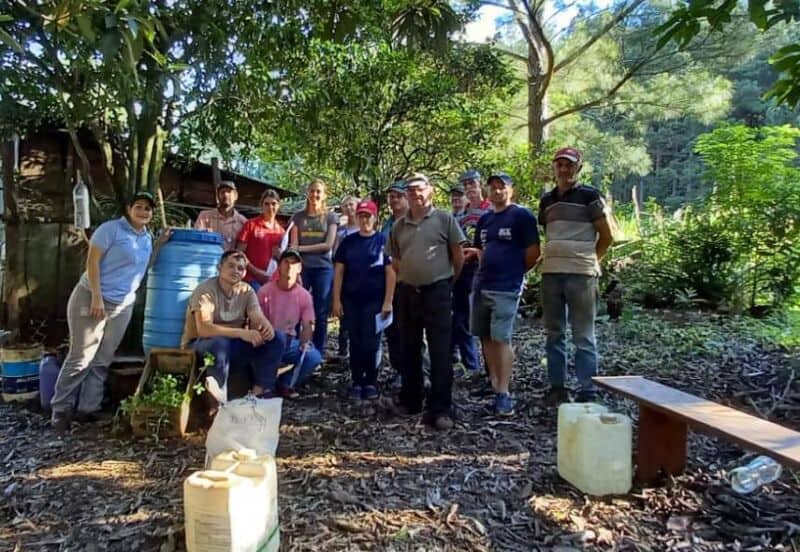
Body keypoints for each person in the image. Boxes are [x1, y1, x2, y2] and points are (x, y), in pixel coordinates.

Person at [51, 191, 171, 432]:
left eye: (148, 209)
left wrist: (158, 245)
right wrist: (96, 295)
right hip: (92, 297)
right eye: (139, 207)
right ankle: (60, 411)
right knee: (81, 355)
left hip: (122, 304)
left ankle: (88, 409)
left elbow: (144, 267)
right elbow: (92, 262)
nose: (144, 212)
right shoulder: (110, 230)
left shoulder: (146, 238)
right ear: (128, 209)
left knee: (103, 358)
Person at [387, 173, 465, 430]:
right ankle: (412, 399)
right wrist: (411, 276)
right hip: (408, 292)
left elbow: (458, 255)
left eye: (419, 189)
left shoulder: (444, 219)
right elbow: (396, 260)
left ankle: (441, 408)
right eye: (410, 191)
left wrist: (446, 282)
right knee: (409, 348)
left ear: (430, 191)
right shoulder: (399, 226)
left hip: (438, 293)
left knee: (440, 350)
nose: (414, 194)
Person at [538, 147, 613, 404]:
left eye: (569, 165)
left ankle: (587, 390)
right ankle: (557, 388)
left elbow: (607, 235)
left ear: (578, 168)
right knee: (553, 332)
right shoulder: (547, 200)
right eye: (560, 164)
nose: (564, 169)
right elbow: (549, 234)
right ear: (554, 168)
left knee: (583, 335)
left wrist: (591, 261)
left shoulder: (590, 196)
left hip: (581, 275)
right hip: (551, 273)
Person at [469, 173, 540, 416]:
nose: (497, 192)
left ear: (511, 190)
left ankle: (504, 392)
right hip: (482, 284)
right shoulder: (485, 219)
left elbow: (533, 252)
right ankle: (494, 382)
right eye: (493, 188)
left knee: (501, 338)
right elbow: (480, 248)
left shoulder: (521, 216)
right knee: (486, 335)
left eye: (502, 188)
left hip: (506, 287)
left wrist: (517, 272)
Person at [181, 250, 287, 407]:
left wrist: (265, 325)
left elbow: (256, 315)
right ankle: (218, 401)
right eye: (231, 266)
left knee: (277, 338)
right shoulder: (205, 290)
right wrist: (241, 333)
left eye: (240, 268)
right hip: (201, 346)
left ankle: (260, 393)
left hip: (232, 347)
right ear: (219, 267)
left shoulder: (246, 290)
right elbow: (204, 329)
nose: (235, 271)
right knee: (219, 344)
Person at [332, 200, 396, 401]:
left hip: (375, 301)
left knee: (371, 342)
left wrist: (388, 301)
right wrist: (336, 300)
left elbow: (390, 273)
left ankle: (371, 381)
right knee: (356, 341)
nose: (364, 219)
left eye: (368, 216)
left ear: (375, 218)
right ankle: (357, 381)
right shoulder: (348, 242)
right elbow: (339, 272)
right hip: (351, 299)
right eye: (361, 216)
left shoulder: (383, 241)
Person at [257, 249, 322, 399]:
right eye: (286, 262)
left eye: (294, 263)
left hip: (289, 341)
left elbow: (308, 323)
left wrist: (305, 342)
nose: (289, 266)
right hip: (268, 339)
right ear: (279, 266)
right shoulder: (264, 291)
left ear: (299, 268)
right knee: (276, 339)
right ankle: (265, 384)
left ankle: (285, 383)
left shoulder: (304, 295)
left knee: (313, 356)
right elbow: (257, 320)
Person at [290, 179, 338, 355]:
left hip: (323, 269)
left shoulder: (331, 217)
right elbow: (292, 244)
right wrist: (296, 267)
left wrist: (300, 248)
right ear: (307, 193)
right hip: (302, 268)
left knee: (321, 311)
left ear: (324, 195)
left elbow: (328, 245)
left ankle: (318, 350)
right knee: (297, 308)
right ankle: (293, 347)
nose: (315, 195)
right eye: (312, 191)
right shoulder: (298, 217)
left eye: (318, 191)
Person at [450, 170, 490, 380]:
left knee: (475, 319)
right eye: (466, 185)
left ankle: (479, 367)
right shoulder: (462, 214)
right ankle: (469, 364)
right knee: (459, 316)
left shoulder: (489, 209)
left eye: (472, 183)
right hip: (462, 269)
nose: (469, 188)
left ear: (480, 184)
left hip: (483, 269)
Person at [236, 189, 285, 291]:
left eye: (273, 204)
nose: (270, 207)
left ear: (278, 205)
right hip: (251, 278)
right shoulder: (251, 225)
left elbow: (284, 259)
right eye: (266, 204)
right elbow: (239, 253)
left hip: (272, 280)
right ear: (261, 205)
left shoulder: (281, 231)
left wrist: (280, 256)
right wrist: (257, 272)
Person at [334, 196, 360, 360]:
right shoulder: (341, 231)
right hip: (344, 276)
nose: (349, 208)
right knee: (344, 315)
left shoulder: (365, 228)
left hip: (362, 277)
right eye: (345, 205)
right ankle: (343, 350)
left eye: (352, 205)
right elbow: (335, 254)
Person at [194, 180, 248, 252]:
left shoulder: (243, 222)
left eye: (229, 192)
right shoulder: (205, 217)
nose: (225, 195)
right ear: (217, 196)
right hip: (208, 259)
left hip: (230, 262)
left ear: (236, 196)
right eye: (222, 192)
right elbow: (196, 240)